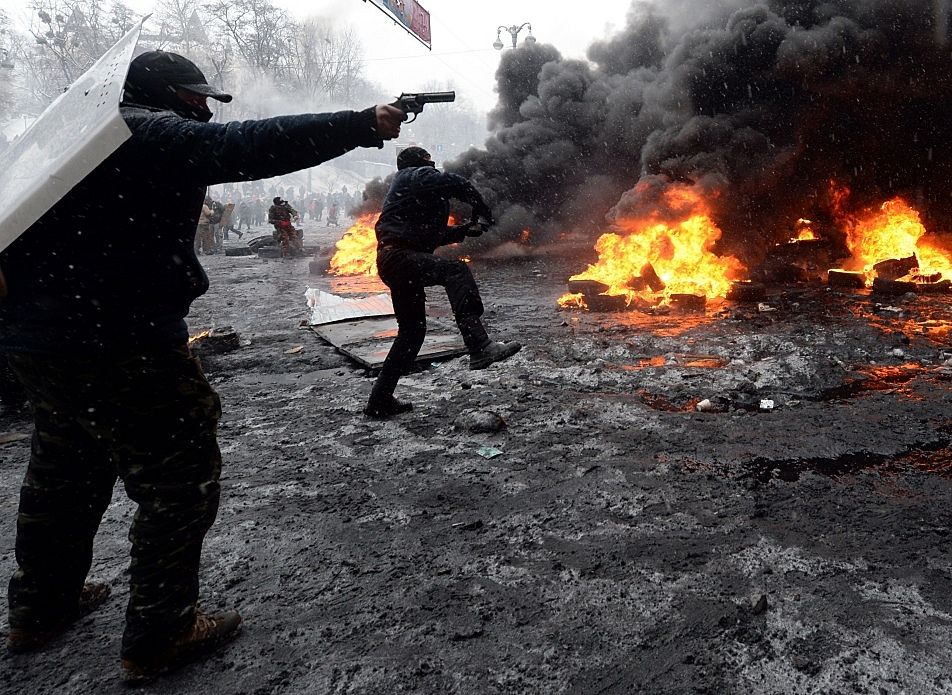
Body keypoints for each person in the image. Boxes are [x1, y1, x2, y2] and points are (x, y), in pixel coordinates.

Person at [0, 49, 404, 681]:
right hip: (119, 337)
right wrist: (360, 123)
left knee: (65, 465)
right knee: (178, 474)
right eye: (197, 100)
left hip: (37, 341)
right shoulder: (141, 131)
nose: (202, 110)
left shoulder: (60, 145)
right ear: (171, 97)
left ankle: (38, 607)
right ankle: (161, 631)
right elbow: (249, 144)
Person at [364, 146, 522, 418]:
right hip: (401, 258)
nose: (433, 167)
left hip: (396, 261)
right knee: (456, 271)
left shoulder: (410, 197)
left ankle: (380, 398)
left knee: (412, 333)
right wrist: (480, 205)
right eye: (430, 163)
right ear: (418, 164)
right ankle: (479, 346)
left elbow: (429, 236)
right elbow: (455, 182)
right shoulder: (412, 176)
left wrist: (463, 231)